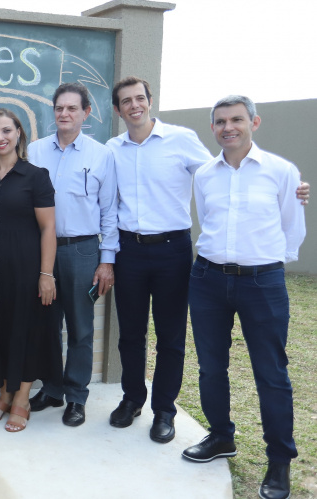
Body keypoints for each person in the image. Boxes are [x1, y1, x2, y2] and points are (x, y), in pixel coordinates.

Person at [106, 77, 309, 445]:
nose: (134, 105)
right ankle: (132, 398)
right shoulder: (112, 149)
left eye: (139, 98)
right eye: (126, 101)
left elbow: (225, 171)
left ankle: (164, 410)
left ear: (149, 101)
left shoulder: (181, 140)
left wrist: (292, 188)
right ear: (118, 110)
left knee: (170, 336)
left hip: (172, 250)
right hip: (128, 250)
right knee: (131, 333)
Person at [181, 96, 304, 499]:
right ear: (212, 128)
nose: (228, 127)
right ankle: (221, 436)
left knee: (271, 373)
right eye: (220, 121)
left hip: (262, 283)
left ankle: (279, 461)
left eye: (236, 119)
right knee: (210, 367)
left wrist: (264, 263)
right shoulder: (204, 174)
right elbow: (207, 221)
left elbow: (292, 226)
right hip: (208, 279)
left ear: (254, 122)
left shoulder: (282, 171)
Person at [0, 108, 59, 433]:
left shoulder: (36, 176)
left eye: (6, 130)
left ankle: (22, 399)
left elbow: (48, 228)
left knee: (25, 330)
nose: (0, 137)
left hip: (26, 269)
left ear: (18, 133)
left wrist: (46, 274)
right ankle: (4, 394)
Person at [27, 83, 118, 427]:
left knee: (80, 328)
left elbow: (109, 211)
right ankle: (52, 390)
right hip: (43, 251)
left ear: (86, 113)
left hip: (83, 250)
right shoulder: (35, 151)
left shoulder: (100, 155)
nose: (64, 114)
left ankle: (76, 396)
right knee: (47, 325)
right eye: (59, 108)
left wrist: (106, 260)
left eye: (72, 108)